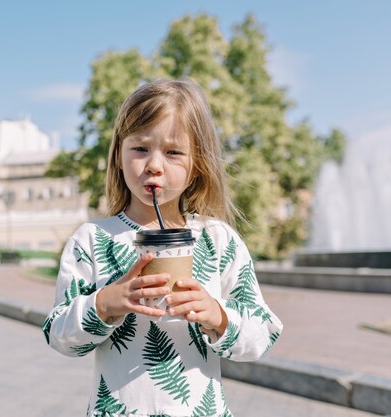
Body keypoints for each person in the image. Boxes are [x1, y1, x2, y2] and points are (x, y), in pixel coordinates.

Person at [42, 78, 283, 417]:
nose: (154, 164)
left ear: (196, 165)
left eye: (173, 152)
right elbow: (57, 333)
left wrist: (218, 315)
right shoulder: (93, 239)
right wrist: (104, 304)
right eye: (140, 148)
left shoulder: (218, 240)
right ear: (119, 157)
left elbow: (264, 332)